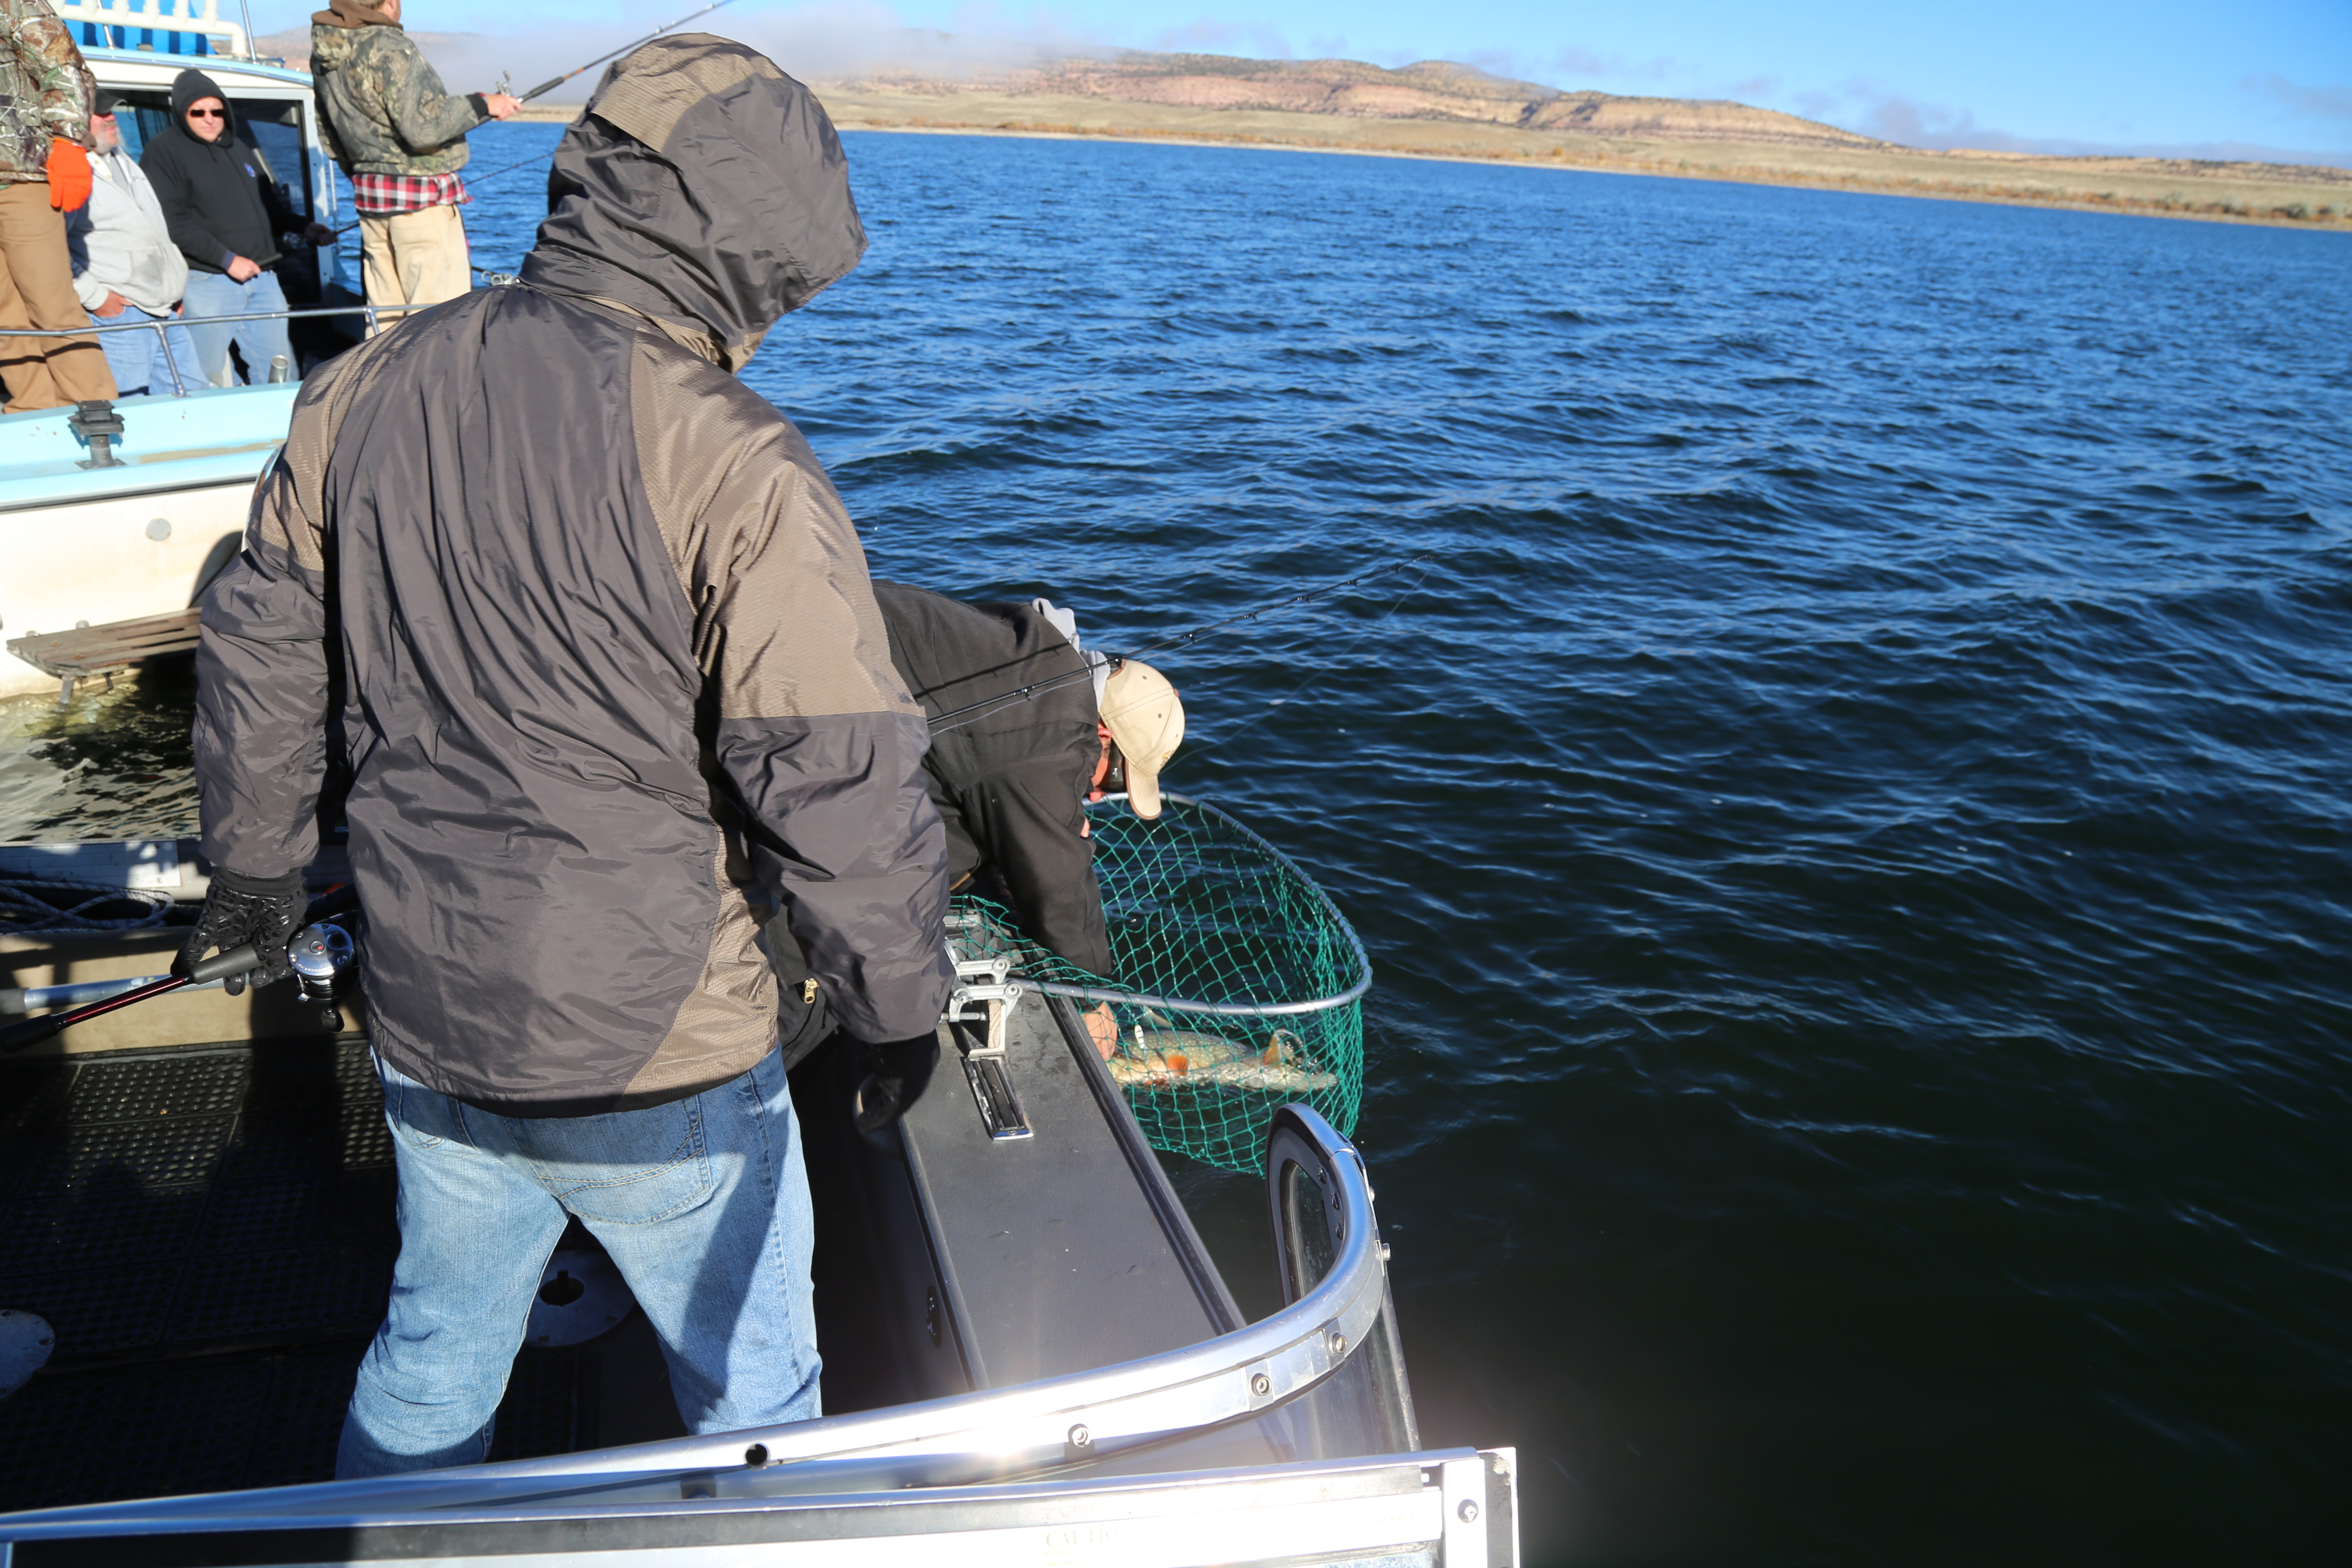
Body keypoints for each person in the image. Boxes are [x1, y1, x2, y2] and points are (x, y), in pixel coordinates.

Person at [175, 36, 951, 1475]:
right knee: (757, 1401)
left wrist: (254, 874)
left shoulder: (365, 386)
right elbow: (830, 764)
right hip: (667, 1047)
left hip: (429, 1010)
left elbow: (260, 648)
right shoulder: (736, 459)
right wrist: (896, 1002)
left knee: (431, 1354)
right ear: (740, 246)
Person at [864, 582, 1187, 1057]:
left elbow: (959, 763)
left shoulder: (1035, 654)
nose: (1097, 794)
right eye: (1115, 781)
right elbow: (1057, 882)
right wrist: (1092, 999)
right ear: (1102, 732)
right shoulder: (1046, 733)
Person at [309, 0, 517, 324]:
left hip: (371, 203)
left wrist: (364, 177)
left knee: (384, 322)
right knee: (437, 323)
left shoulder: (324, 53)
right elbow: (423, 129)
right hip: (420, 207)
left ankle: (380, 377)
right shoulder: (389, 46)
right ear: (390, 3)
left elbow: (328, 133)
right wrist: (483, 105)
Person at [141, 68, 334, 386]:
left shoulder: (238, 147)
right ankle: (206, 430)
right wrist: (226, 260)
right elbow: (172, 222)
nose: (209, 119)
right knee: (205, 372)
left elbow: (268, 205)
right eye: (198, 112)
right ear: (181, 112)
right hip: (208, 281)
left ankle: (282, 429)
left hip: (263, 279)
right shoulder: (163, 152)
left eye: (217, 111)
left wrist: (305, 227)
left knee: (280, 369)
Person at [0, 0, 114, 413]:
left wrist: (67, 142)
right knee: (3, 314)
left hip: (21, 175)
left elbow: (62, 65)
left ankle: (93, 406)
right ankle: (32, 408)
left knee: (49, 298)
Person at [67, 91, 201, 398]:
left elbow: (157, 229)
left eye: (111, 111)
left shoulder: (123, 160)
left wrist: (173, 286)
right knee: (129, 411)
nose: (111, 118)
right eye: (100, 113)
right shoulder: (69, 172)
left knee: (192, 398)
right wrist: (97, 297)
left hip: (166, 309)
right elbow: (53, 249)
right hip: (120, 315)